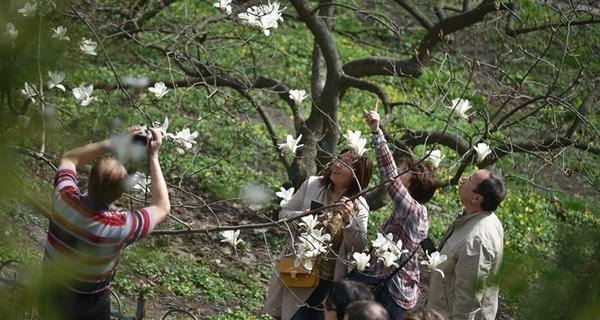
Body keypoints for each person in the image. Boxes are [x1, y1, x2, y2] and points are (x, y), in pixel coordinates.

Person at [38, 126, 171, 320]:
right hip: (88, 308)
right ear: (120, 194)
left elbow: (69, 158)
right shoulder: (119, 227)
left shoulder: (63, 199)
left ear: (88, 179)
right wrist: (154, 156)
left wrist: (113, 142)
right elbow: (162, 206)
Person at [264, 149, 374, 320]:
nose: (337, 165)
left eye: (346, 164)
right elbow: (283, 215)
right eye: (339, 159)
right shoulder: (313, 185)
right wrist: (303, 216)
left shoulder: (360, 206)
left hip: (329, 283)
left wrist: (349, 221)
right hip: (299, 271)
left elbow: (358, 246)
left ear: (357, 175)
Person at [362, 107, 438, 319]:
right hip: (386, 285)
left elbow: (389, 175)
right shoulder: (410, 211)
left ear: (412, 187)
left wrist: (377, 133)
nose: (399, 173)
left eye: (404, 172)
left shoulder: (414, 211)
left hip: (393, 294)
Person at [426, 167, 506, 320]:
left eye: (469, 180)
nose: (463, 179)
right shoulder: (474, 216)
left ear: (477, 199)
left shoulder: (477, 240)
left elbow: (468, 302)